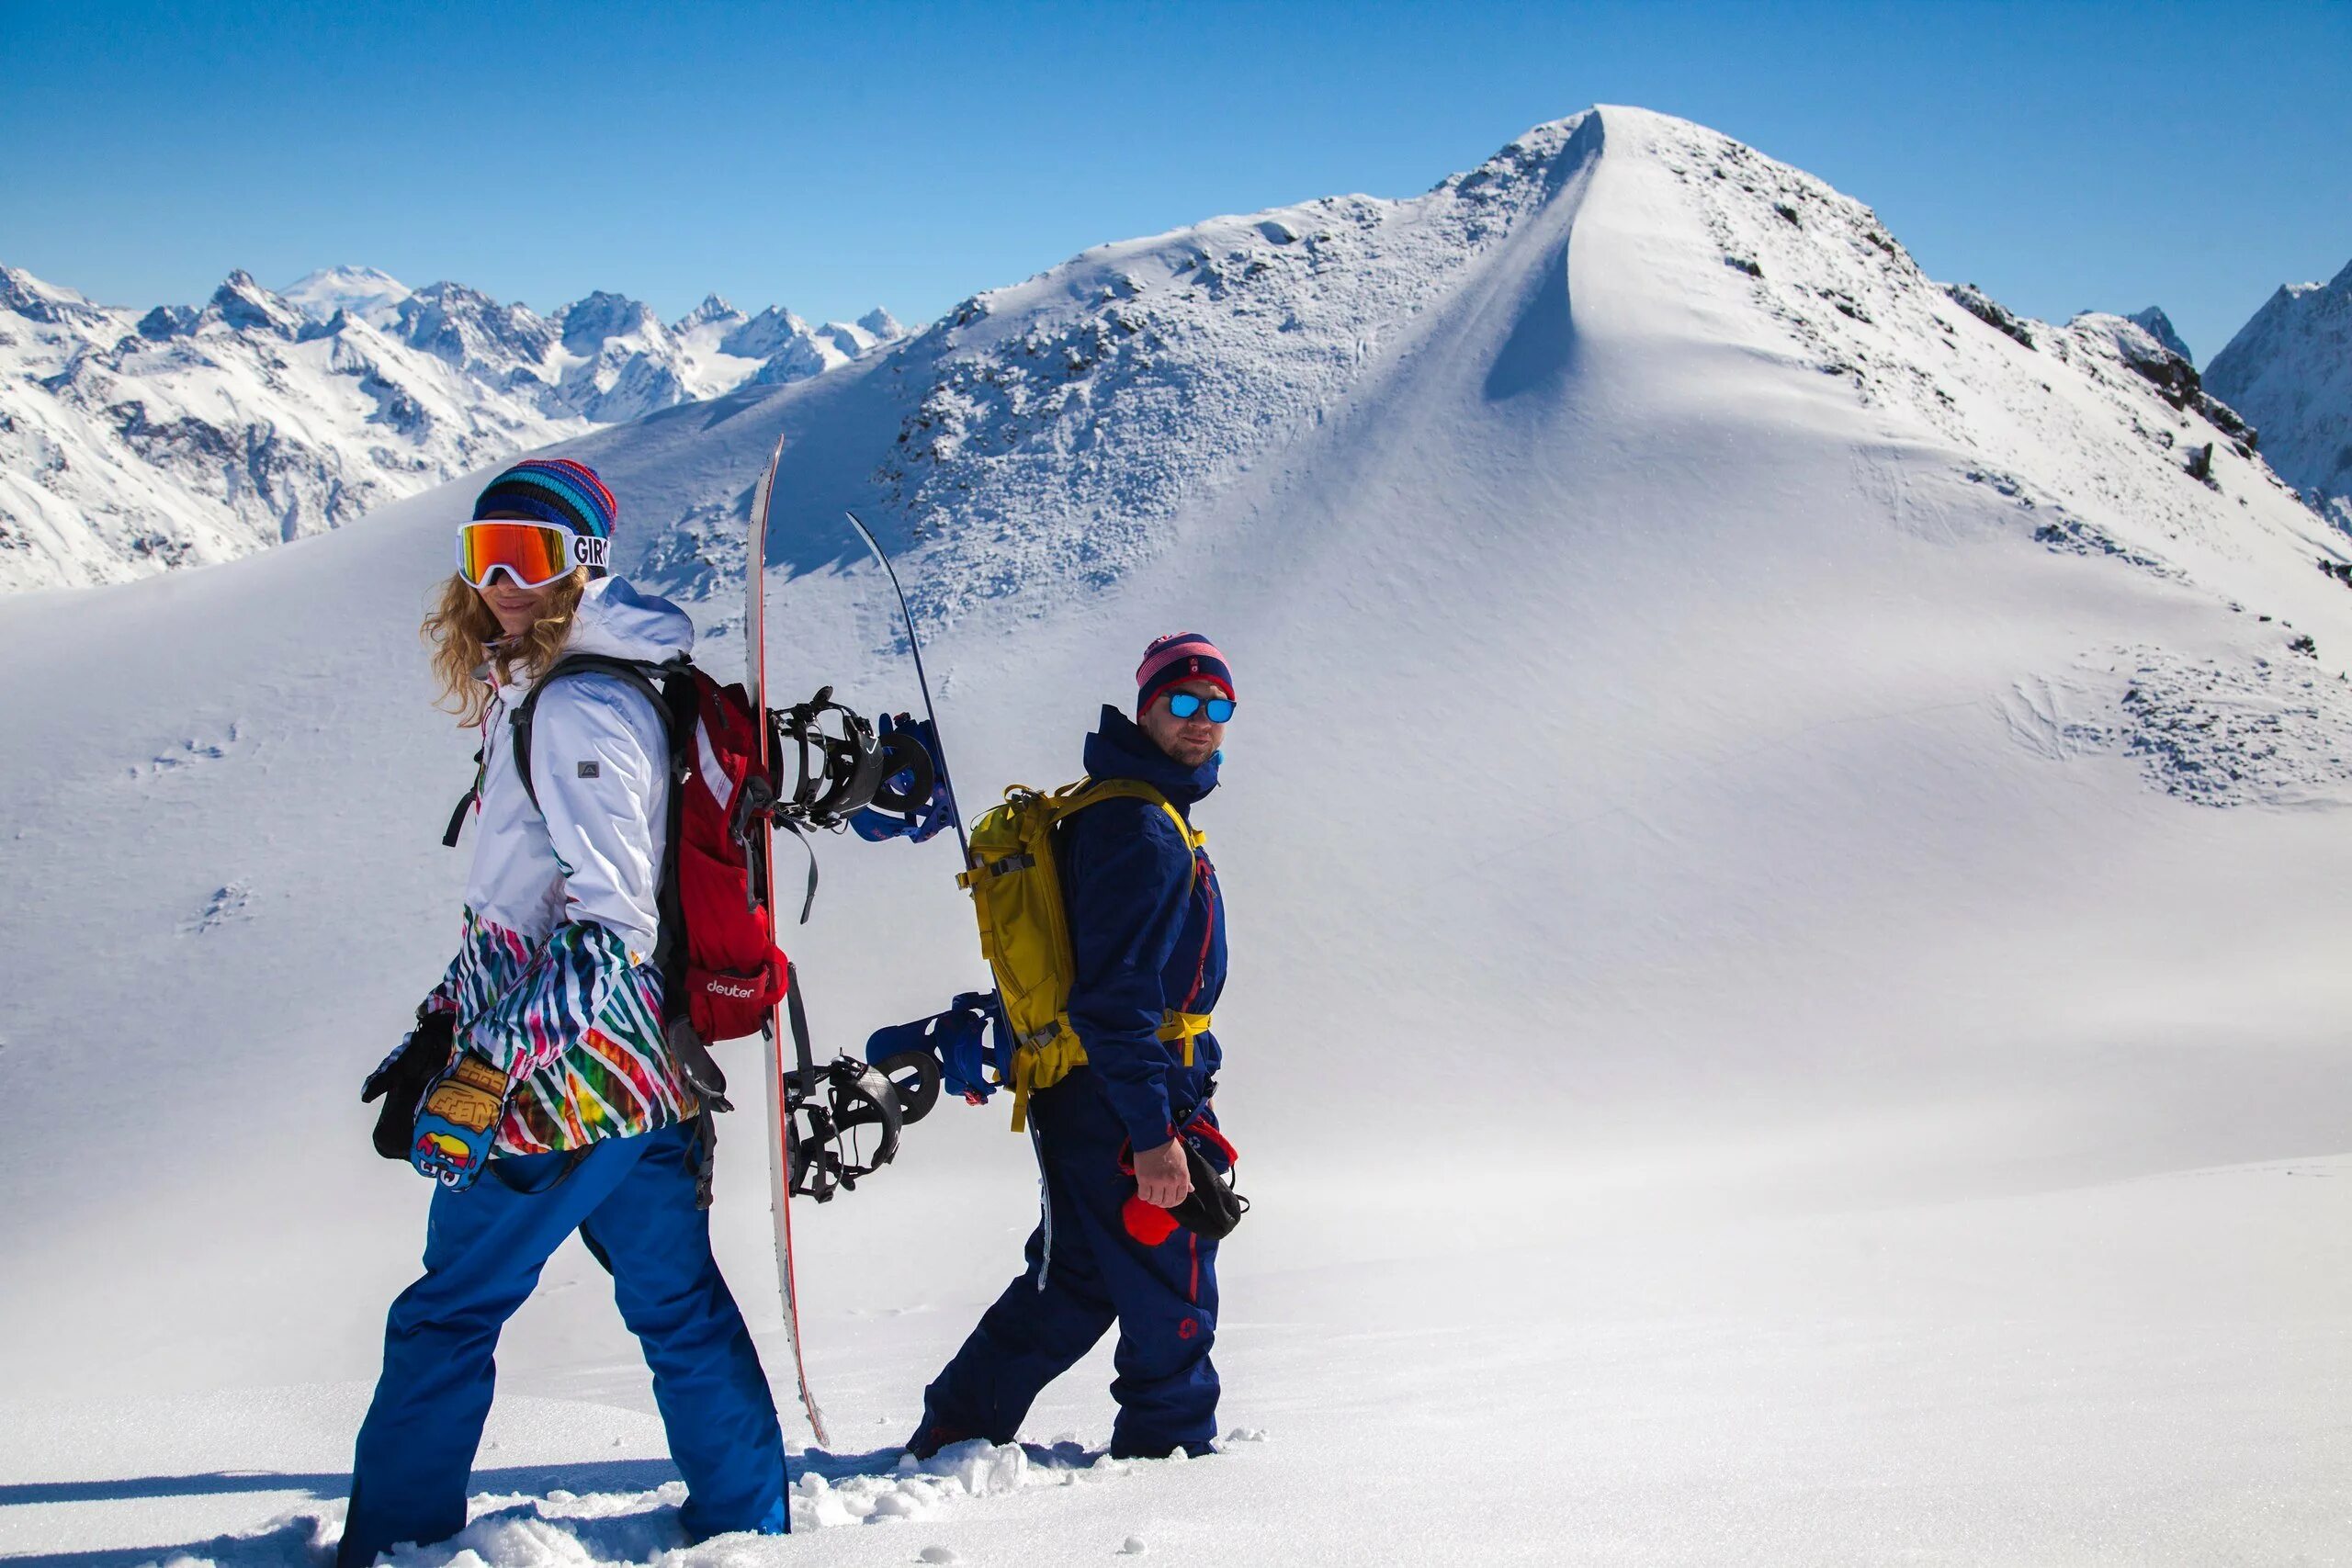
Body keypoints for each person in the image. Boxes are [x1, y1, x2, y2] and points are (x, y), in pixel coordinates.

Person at [340, 458, 786, 1565]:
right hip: (635, 1076)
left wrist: (485, 1064)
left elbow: (611, 929)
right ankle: (750, 1525)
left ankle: (393, 1543)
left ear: (585, 565)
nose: (500, 579)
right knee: (675, 1302)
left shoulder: (582, 701)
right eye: (483, 552)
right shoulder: (551, 685)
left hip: (561, 1085)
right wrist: (443, 1019)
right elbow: (520, 904)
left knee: (446, 1315)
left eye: (530, 556)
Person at [909, 633, 1238, 1461]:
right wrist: (1156, 1132)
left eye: (1218, 707)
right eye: (1184, 703)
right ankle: (1171, 1460)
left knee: (1080, 1275)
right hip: (1124, 1095)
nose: (1201, 723)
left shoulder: (1115, 807)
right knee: (1172, 1276)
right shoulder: (1141, 828)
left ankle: (958, 1422)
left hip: (1086, 1087)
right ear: (1146, 708)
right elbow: (1117, 1000)